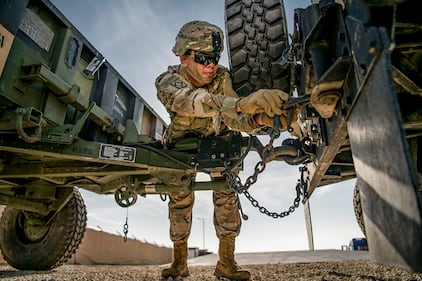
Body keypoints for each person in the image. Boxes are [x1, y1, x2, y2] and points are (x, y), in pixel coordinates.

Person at [155, 20, 291, 280]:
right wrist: (240, 104)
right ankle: (179, 263)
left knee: (227, 202)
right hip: (182, 149)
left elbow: (233, 119)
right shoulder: (168, 80)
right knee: (180, 205)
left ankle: (226, 263)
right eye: (204, 58)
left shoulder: (222, 78)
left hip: (219, 144)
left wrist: (262, 120)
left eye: (215, 57)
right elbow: (190, 102)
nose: (211, 65)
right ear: (184, 58)